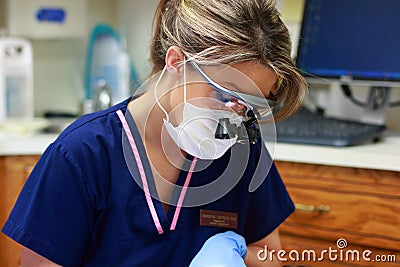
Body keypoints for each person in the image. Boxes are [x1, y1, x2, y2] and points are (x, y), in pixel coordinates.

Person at [2, 0, 307, 266]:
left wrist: (235, 255)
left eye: (251, 104)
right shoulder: (82, 155)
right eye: (225, 94)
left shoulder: (242, 147)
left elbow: (270, 254)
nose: (235, 115)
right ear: (177, 62)